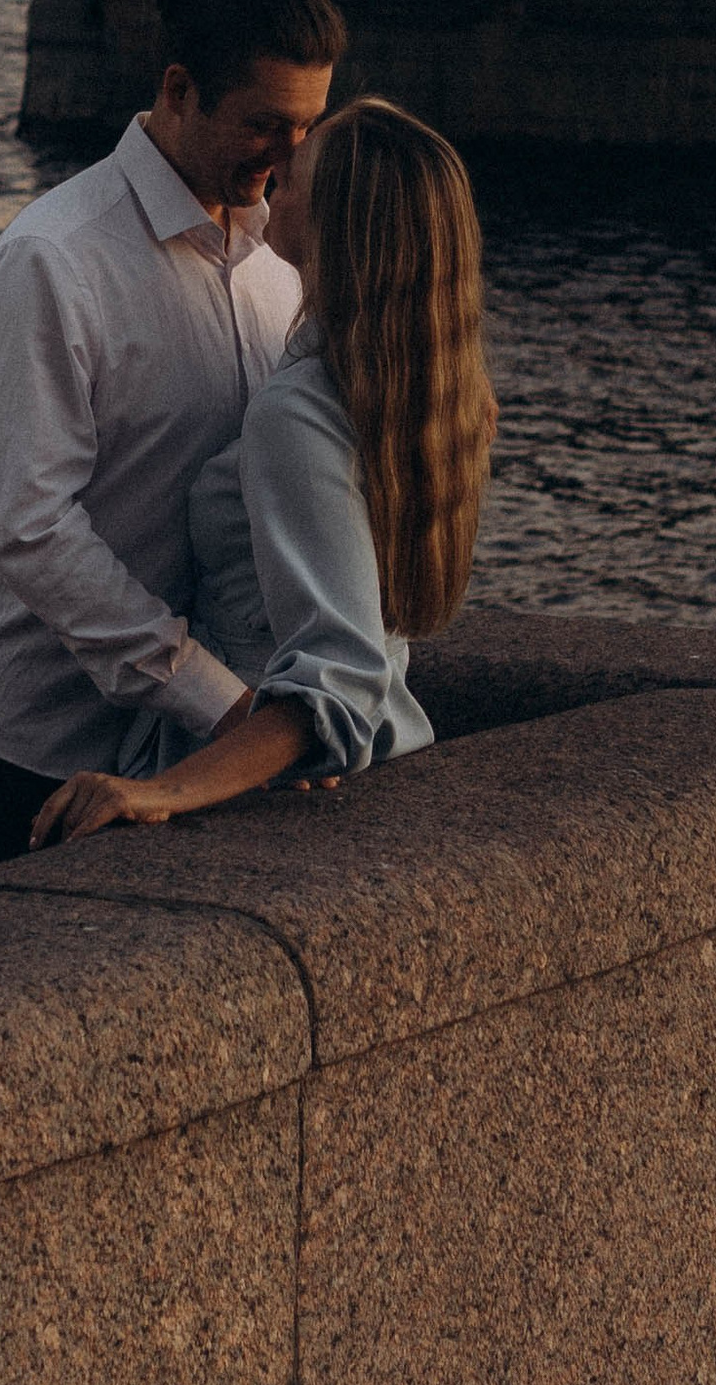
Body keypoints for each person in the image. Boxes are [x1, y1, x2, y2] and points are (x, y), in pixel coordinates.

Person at [0, 0, 346, 881]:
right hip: (13, 741)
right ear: (180, 90)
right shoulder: (53, 259)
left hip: (176, 754)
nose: (293, 153)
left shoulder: (284, 256)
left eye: (311, 125)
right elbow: (30, 528)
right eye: (268, 122)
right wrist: (221, 704)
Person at [30, 95, 497, 843]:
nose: (279, 165)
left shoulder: (301, 412)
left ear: (341, 222)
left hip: (262, 781)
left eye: (301, 170)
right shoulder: (416, 389)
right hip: (387, 756)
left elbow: (334, 674)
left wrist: (161, 793)